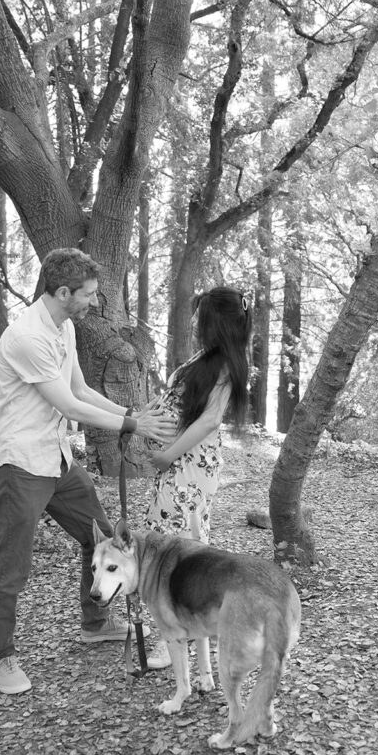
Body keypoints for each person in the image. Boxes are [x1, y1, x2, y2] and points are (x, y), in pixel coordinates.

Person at [0, 247, 176, 695]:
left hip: (57, 459)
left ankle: (95, 624)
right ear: (63, 291)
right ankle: (0, 658)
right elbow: (67, 405)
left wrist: (130, 412)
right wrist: (131, 424)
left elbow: (80, 389)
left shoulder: (65, 326)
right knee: (11, 564)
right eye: (88, 294)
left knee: (101, 537)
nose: (94, 301)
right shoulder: (26, 337)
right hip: (20, 465)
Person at [143, 286, 252, 668]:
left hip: (190, 465)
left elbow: (210, 420)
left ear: (216, 323)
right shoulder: (204, 359)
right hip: (177, 463)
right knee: (169, 537)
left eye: (199, 315)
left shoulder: (227, 366)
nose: (192, 321)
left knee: (176, 546)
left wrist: (168, 453)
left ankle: (176, 633)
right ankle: (179, 630)